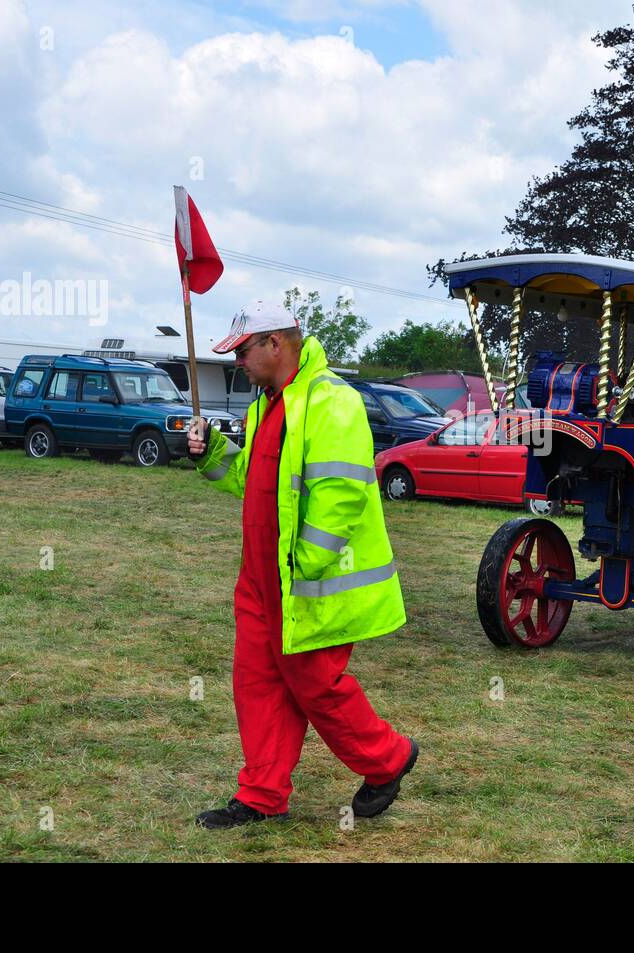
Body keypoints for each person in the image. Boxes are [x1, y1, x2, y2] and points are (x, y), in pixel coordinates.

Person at [187, 301, 417, 829]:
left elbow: (341, 492)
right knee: (256, 683)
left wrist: (304, 565)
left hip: (309, 584)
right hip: (261, 581)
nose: (238, 362)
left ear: (275, 344)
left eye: (243, 351)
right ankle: (261, 795)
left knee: (315, 685)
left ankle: (389, 760)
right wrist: (209, 453)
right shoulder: (266, 404)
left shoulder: (331, 400)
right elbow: (252, 478)